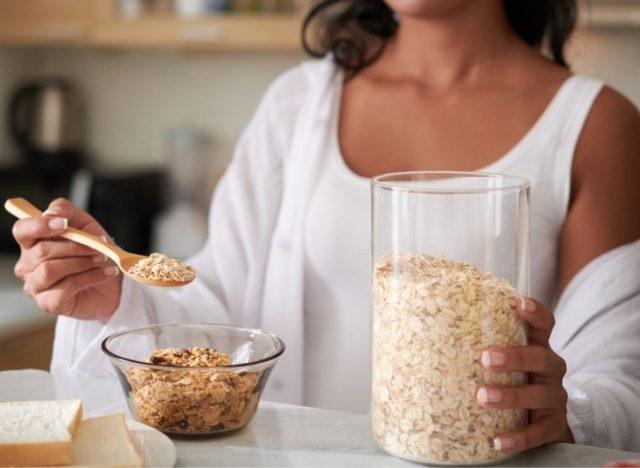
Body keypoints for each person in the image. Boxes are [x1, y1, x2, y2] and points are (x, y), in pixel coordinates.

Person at [10, 0, 640, 454]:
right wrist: (115, 297)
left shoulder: (593, 125)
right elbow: (228, 321)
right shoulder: (299, 104)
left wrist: (569, 414)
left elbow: (620, 375)